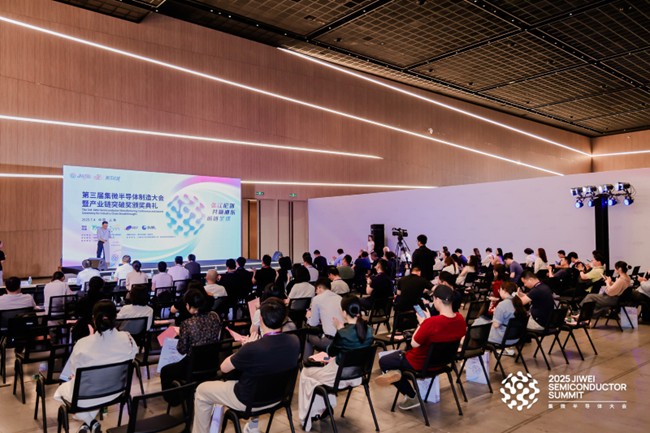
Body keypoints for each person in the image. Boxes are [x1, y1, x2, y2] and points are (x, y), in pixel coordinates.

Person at [192, 298, 300, 433]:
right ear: (284, 319)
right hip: (278, 396)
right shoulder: (294, 341)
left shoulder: (253, 348)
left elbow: (224, 368)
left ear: (260, 318)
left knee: (202, 390)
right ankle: (252, 426)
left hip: (248, 400)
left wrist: (245, 348)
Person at [375, 285, 466, 410]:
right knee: (396, 363)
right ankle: (397, 372)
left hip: (420, 363)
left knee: (384, 361)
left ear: (437, 300)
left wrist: (422, 324)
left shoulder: (431, 323)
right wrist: (427, 322)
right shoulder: (460, 319)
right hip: (444, 363)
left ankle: (411, 395)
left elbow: (414, 343)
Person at [54, 301, 137, 432]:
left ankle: (90, 421)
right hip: (116, 391)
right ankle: (90, 423)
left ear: (94, 319)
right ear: (115, 317)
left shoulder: (83, 343)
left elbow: (73, 371)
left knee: (59, 392)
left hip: (87, 395)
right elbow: (132, 356)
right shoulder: (128, 338)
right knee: (95, 388)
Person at [298, 295, 373, 430]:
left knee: (306, 373)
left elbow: (330, 352)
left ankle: (308, 415)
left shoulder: (344, 333)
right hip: (358, 375)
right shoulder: (369, 330)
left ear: (344, 312)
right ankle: (325, 407)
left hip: (338, 377)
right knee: (317, 380)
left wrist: (339, 329)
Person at [161, 289, 221, 402]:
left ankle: (174, 400)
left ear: (188, 305)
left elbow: (182, 350)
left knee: (165, 370)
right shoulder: (214, 318)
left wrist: (182, 335)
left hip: (193, 367)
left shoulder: (187, 324)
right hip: (212, 364)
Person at [303, 278, 344, 362]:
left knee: (308, 336)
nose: (316, 292)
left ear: (319, 288)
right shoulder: (340, 298)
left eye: (316, 290)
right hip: (343, 339)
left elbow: (313, 323)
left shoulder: (316, 299)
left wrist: (308, 317)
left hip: (331, 342)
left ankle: (306, 362)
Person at [487, 282, 528, 348]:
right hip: (516, 338)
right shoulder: (519, 303)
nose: (499, 291)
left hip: (501, 339)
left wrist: (495, 314)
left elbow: (496, 325)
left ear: (504, 290)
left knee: (479, 328)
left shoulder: (502, 304)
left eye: (500, 289)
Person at [73, 277, 108, 341]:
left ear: (89, 286)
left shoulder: (83, 300)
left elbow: (77, 314)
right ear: (102, 286)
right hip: (104, 329)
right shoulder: (106, 301)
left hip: (84, 330)